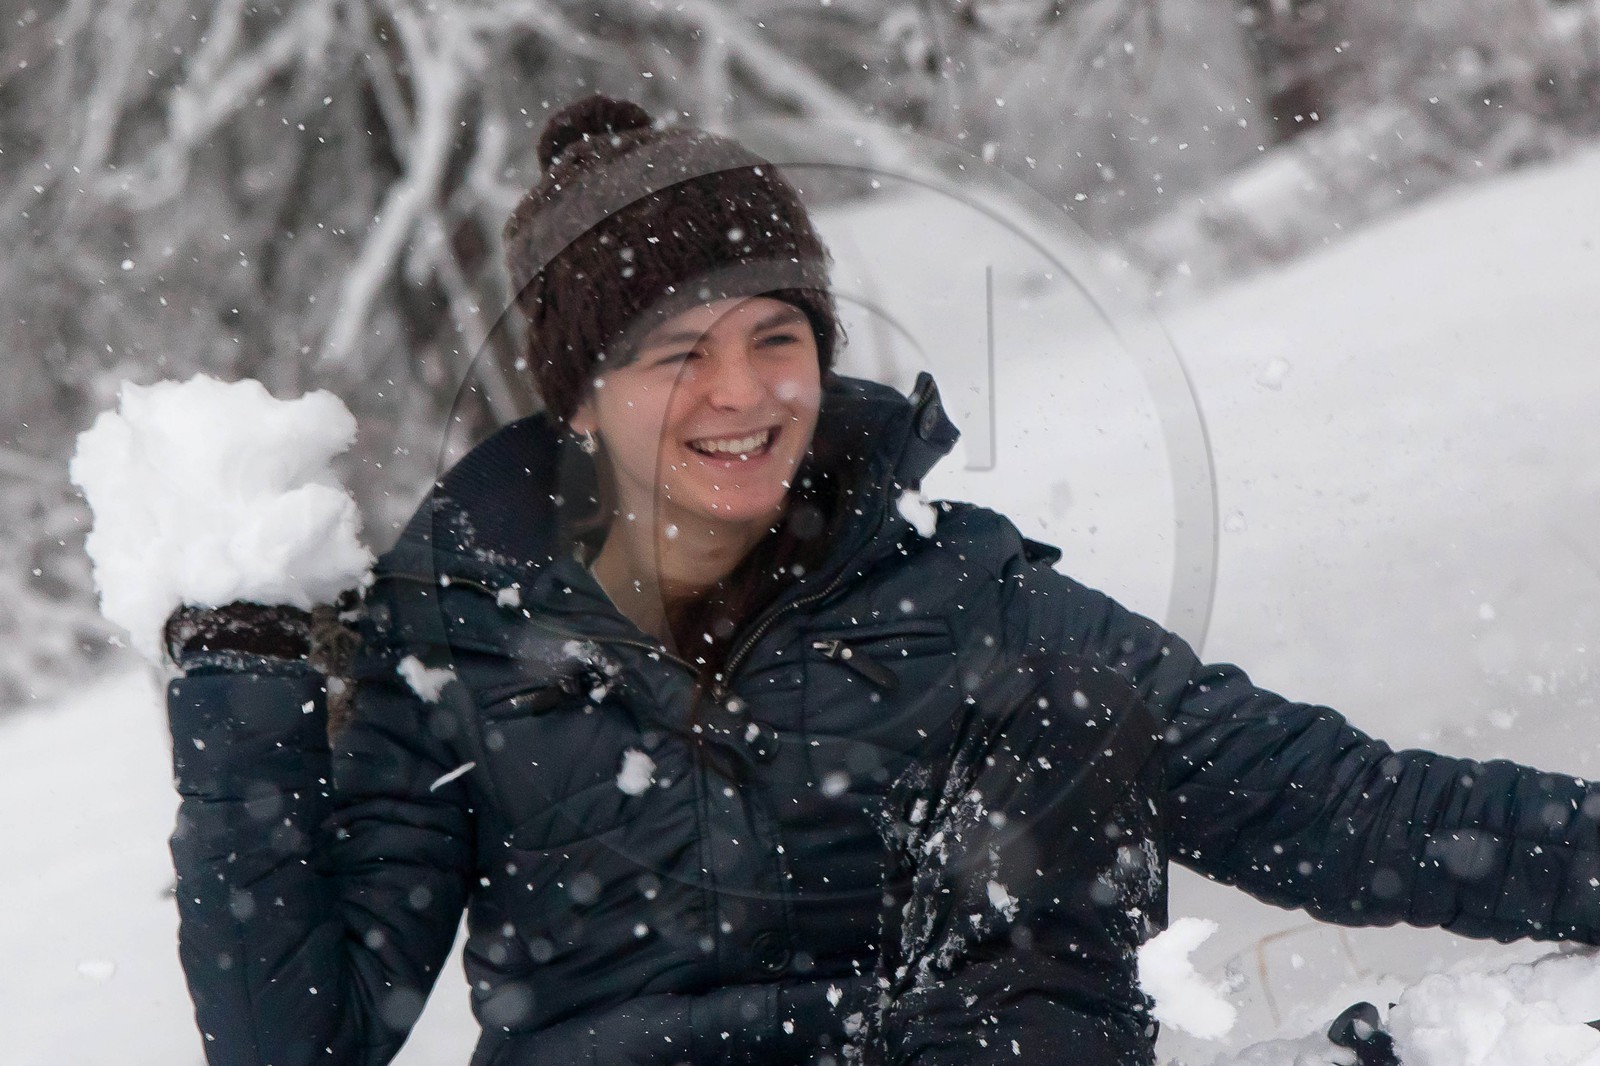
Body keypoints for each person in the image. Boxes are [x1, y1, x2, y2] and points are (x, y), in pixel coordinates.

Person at [162, 94, 1600, 1066]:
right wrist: (243, 693)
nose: (743, 393)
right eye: (678, 351)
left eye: (773, 335)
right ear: (581, 400)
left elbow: (1329, 800)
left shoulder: (957, 593)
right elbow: (305, 1036)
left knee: (1067, 714)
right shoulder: (459, 647)